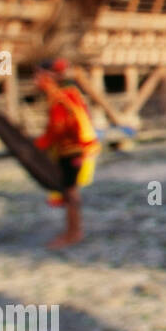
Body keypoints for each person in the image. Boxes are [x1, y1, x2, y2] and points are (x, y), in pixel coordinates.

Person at [33, 58, 99, 249]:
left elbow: (59, 128)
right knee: (70, 191)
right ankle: (73, 230)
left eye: (39, 76)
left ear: (49, 77)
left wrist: (39, 145)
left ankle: (74, 232)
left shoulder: (63, 99)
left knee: (70, 192)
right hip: (68, 150)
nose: (36, 81)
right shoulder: (65, 95)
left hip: (73, 151)